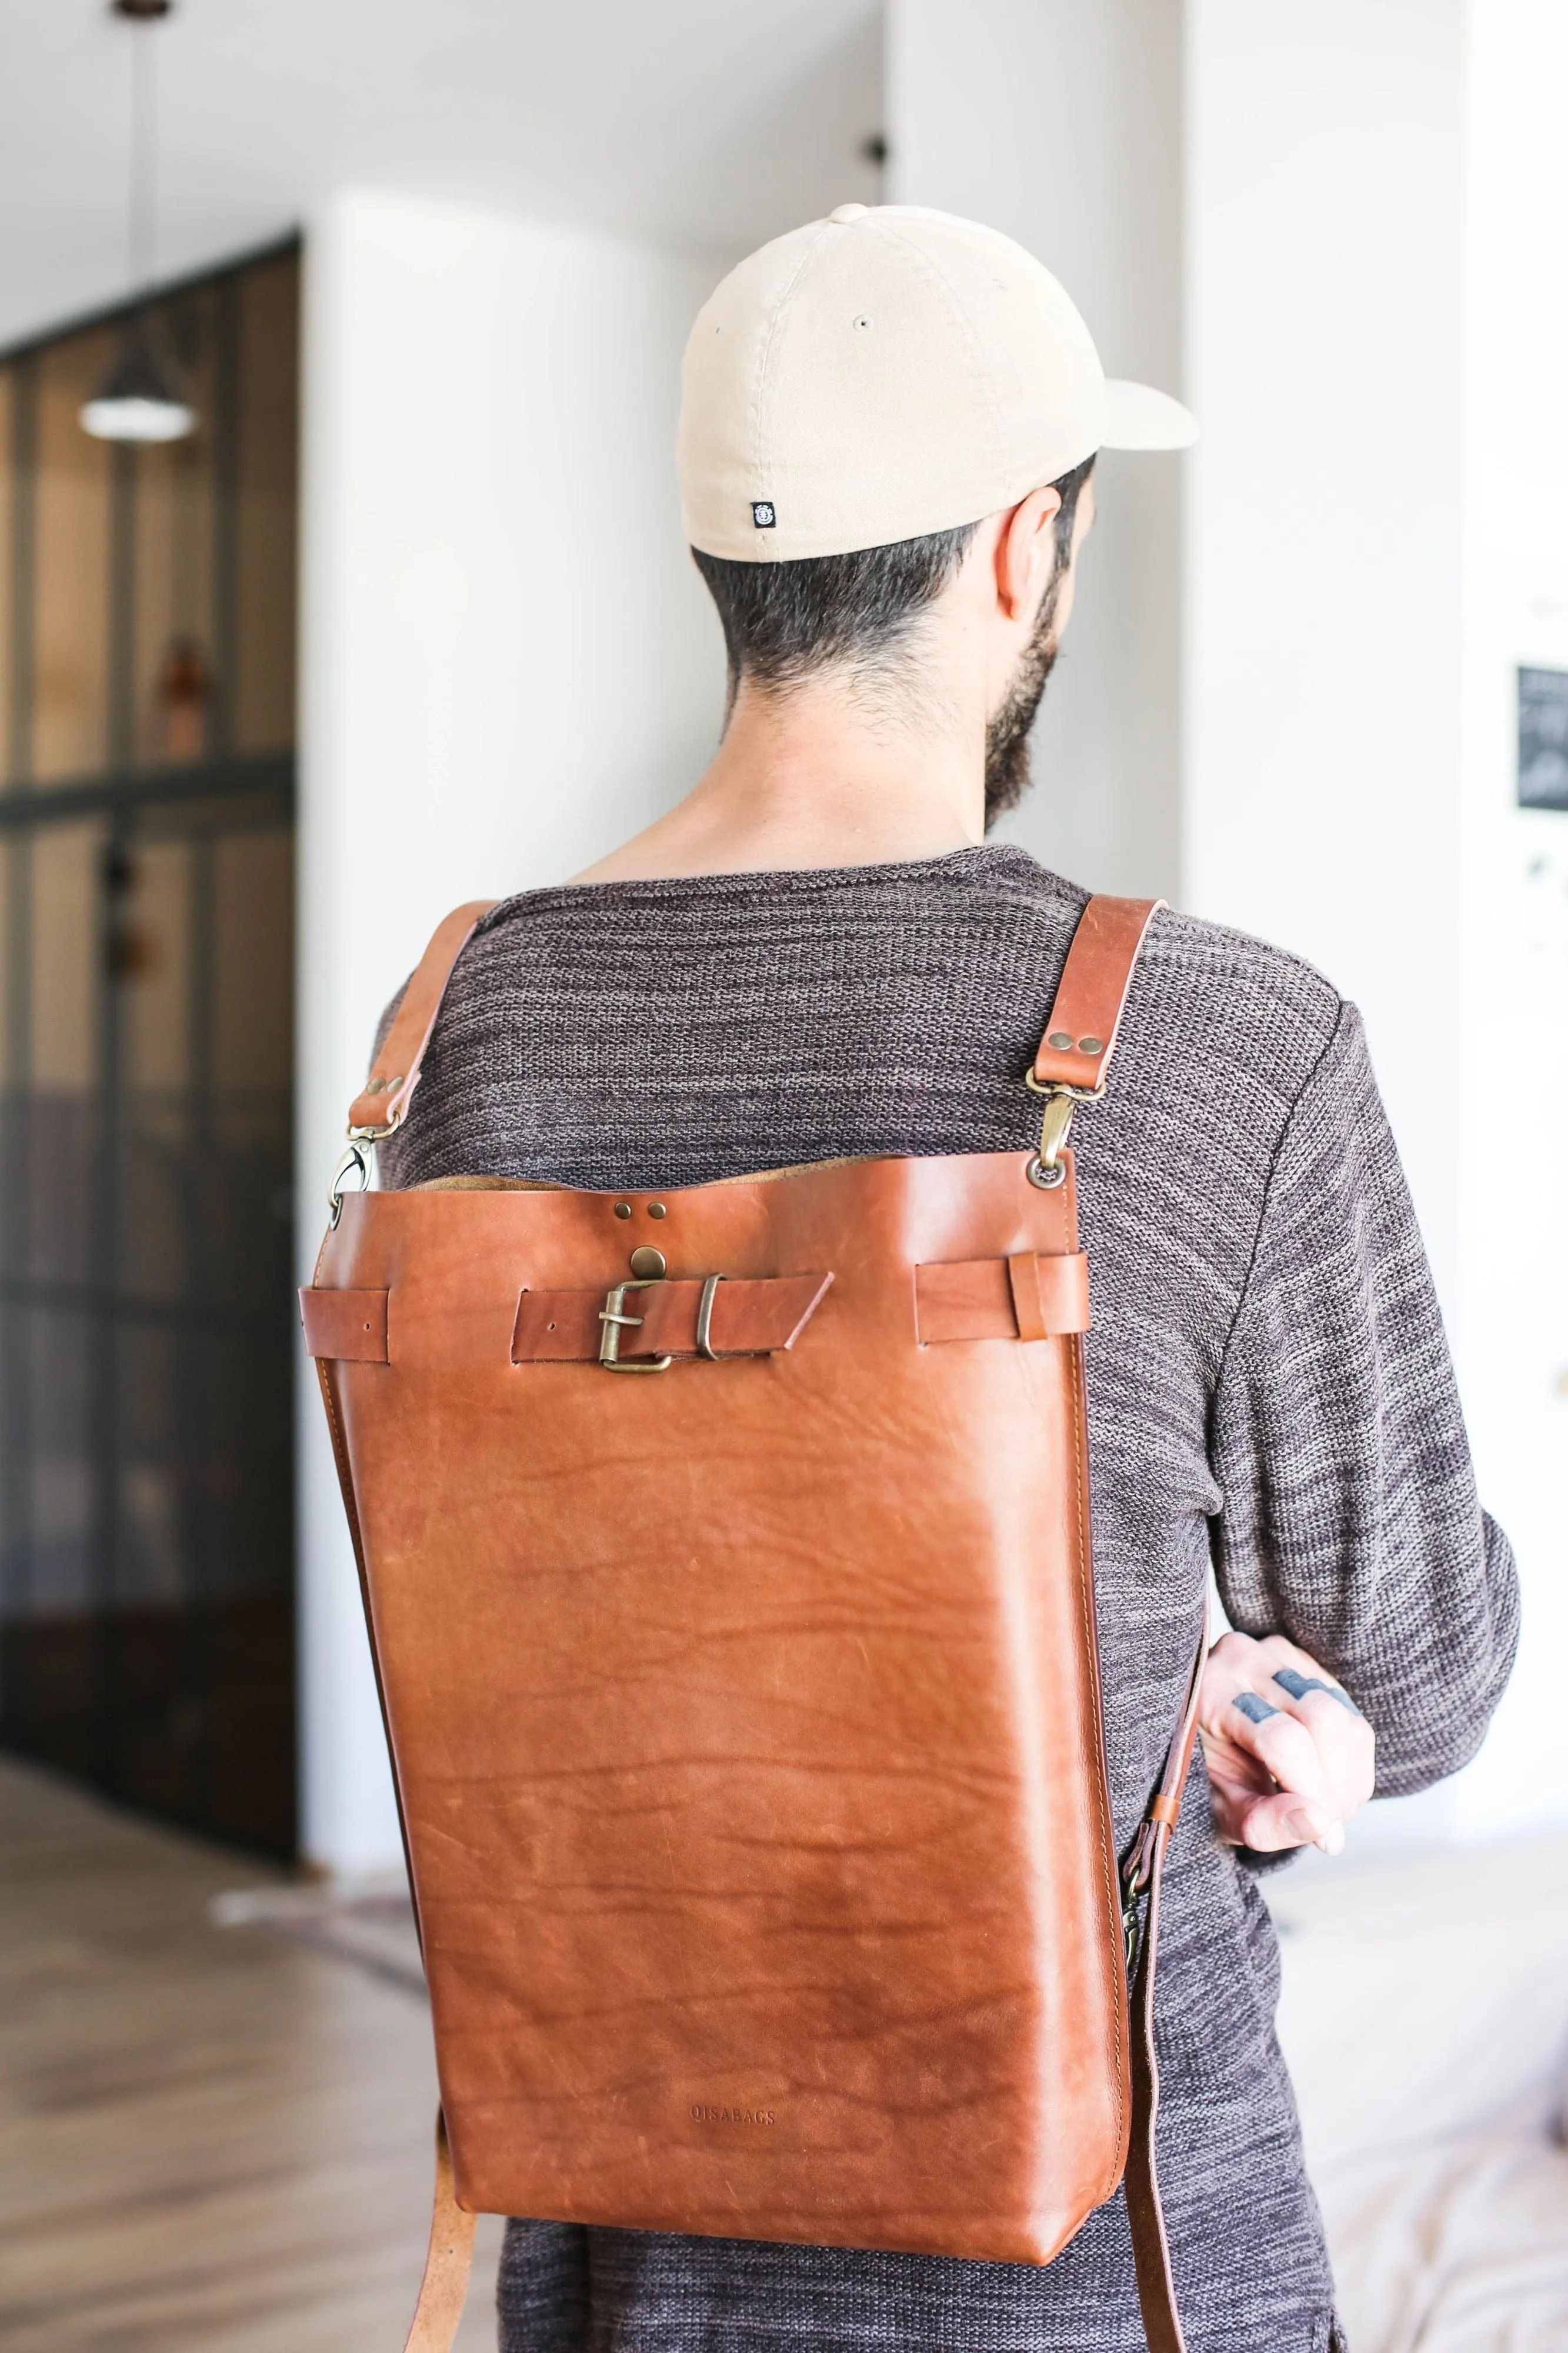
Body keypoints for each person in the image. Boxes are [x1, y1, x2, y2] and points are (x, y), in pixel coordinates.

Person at [377, 206, 1518, 2352]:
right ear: (1026, 555)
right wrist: (1231, 1688)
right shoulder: (1220, 1038)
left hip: (628, 2248)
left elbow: (560, 1599)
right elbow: (1430, 1667)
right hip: (1115, 2267)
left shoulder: (467, 1026)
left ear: (729, 566)